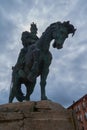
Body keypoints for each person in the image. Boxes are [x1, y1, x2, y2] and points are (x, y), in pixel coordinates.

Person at [11, 22, 39, 101]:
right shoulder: (26, 34)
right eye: (33, 29)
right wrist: (31, 42)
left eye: (35, 29)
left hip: (35, 53)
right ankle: (19, 65)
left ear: (36, 30)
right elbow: (24, 40)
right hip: (27, 50)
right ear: (31, 29)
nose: (34, 30)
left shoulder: (38, 38)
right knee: (23, 51)